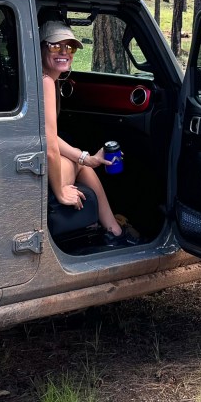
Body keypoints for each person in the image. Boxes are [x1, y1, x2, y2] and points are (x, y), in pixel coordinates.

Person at [40, 18, 129, 245]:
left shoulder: (42, 78)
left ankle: (113, 231)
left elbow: (49, 136)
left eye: (68, 47)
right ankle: (114, 233)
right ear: (40, 47)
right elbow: (50, 147)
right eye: (54, 45)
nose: (64, 52)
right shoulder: (46, 83)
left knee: (80, 161)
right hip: (35, 169)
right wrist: (60, 190)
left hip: (35, 159)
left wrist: (86, 158)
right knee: (78, 164)